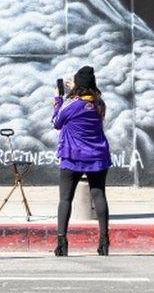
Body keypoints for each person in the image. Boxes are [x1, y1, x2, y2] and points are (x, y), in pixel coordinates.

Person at [52, 65, 111, 257]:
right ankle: (104, 241)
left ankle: (62, 243)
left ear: (77, 84)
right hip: (97, 155)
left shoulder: (71, 103)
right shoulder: (99, 103)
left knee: (65, 199)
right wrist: (76, 88)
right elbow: (89, 106)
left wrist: (59, 98)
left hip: (72, 156)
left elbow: (56, 122)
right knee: (99, 195)